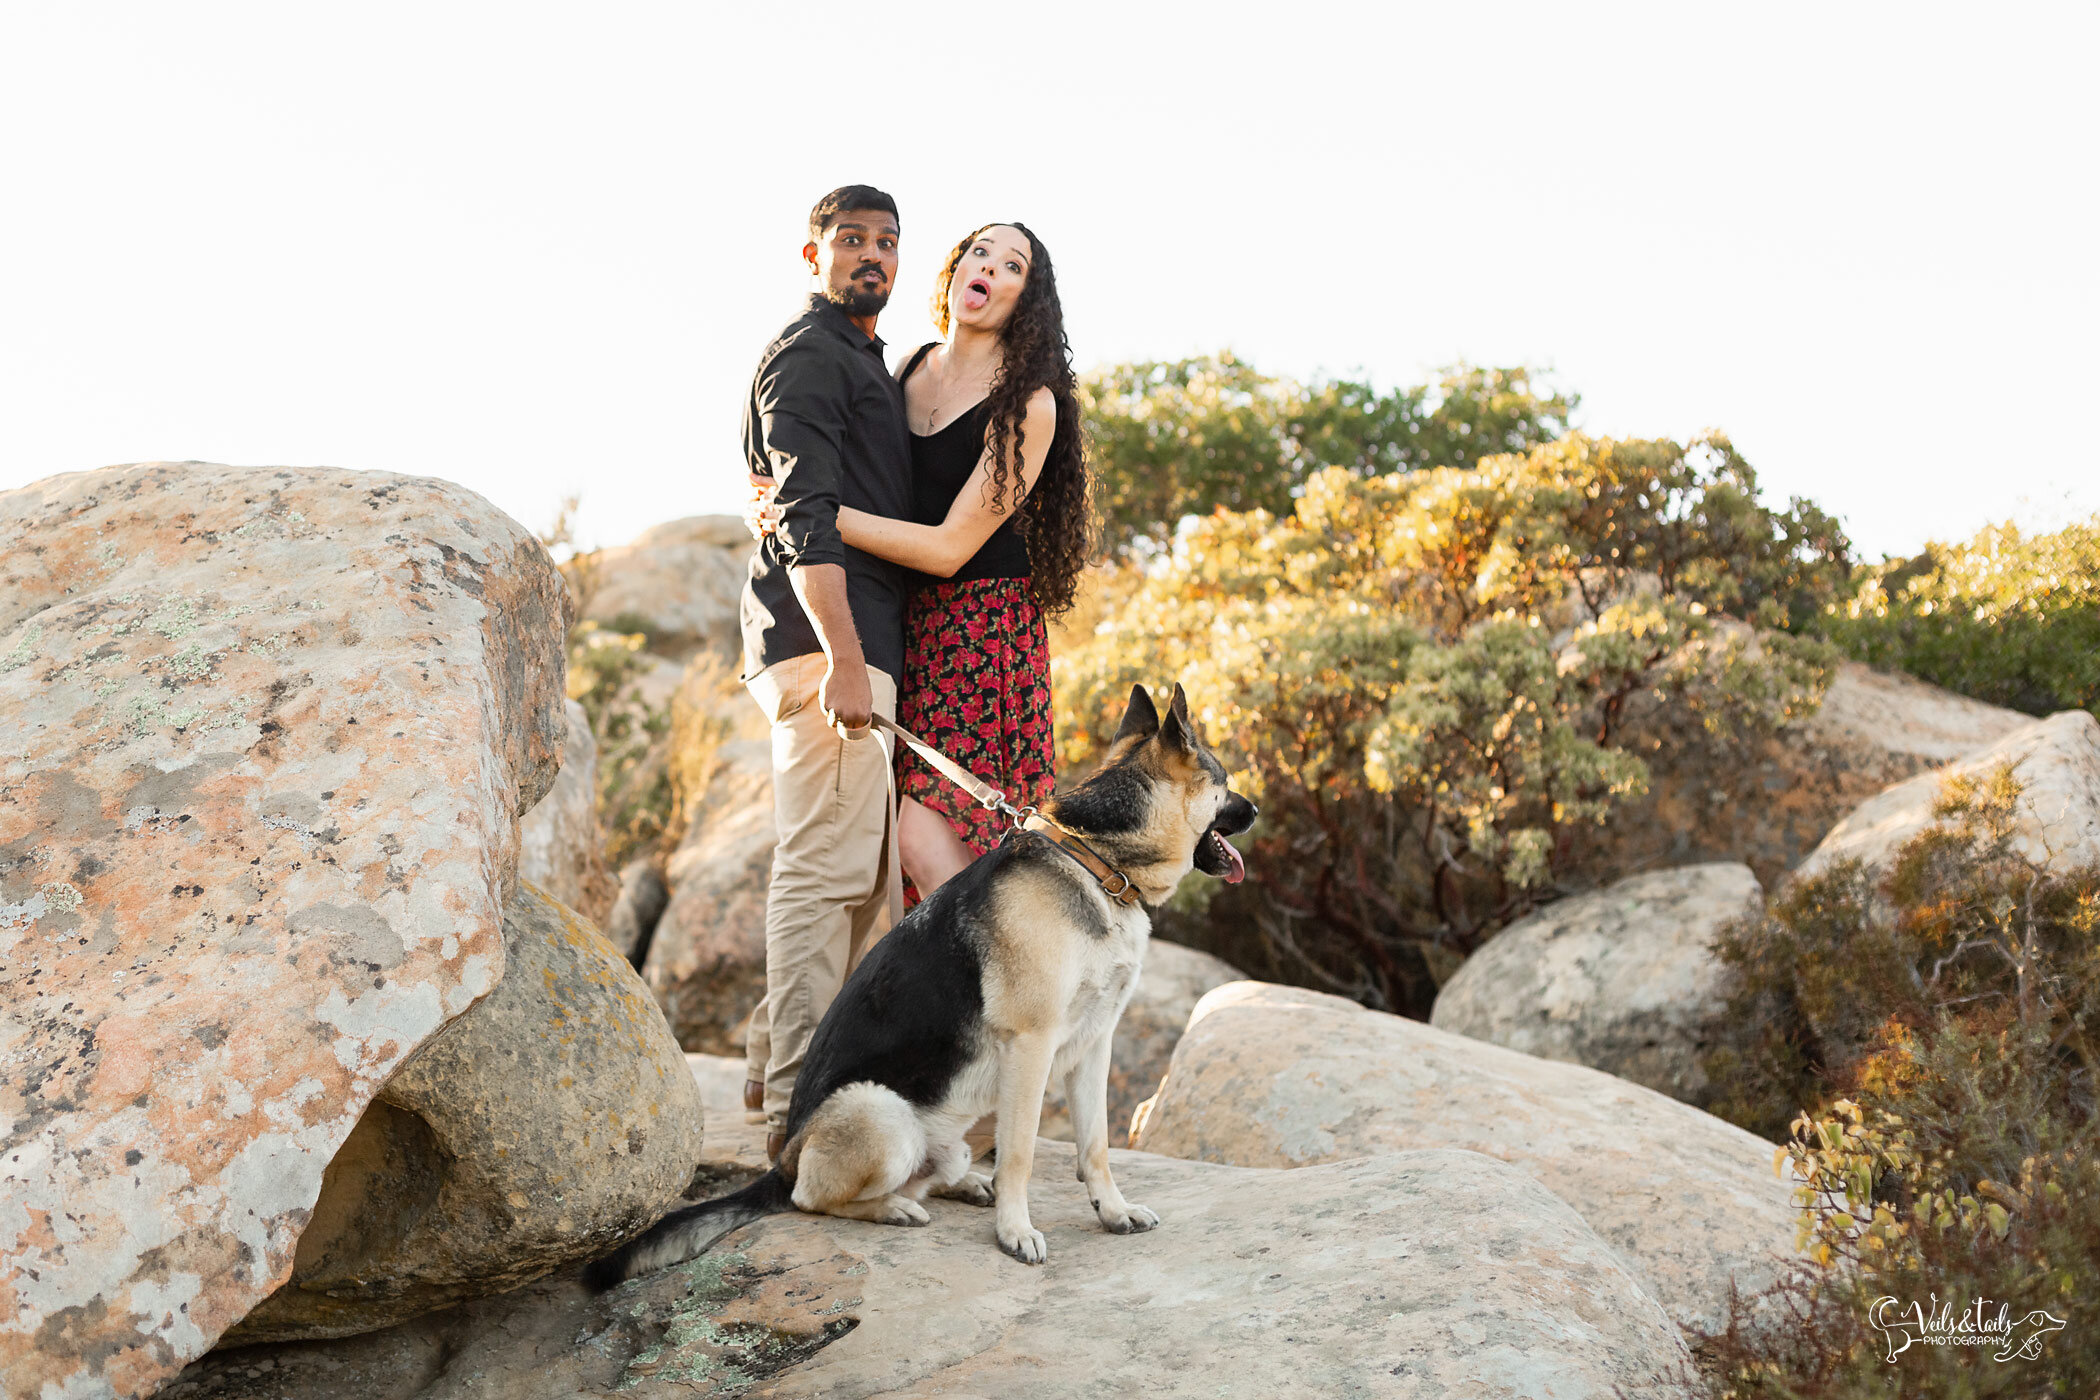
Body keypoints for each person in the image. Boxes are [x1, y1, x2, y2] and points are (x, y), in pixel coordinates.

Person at [751, 222, 1093, 902]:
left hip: (982, 634)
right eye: (979, 252)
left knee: (925, 835)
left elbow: (947, 548)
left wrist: (813, 510)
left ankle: (997, 985)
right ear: (954, 269)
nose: (989, 267)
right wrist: (782, 500)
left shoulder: (1029, 402)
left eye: (1013, 265)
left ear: (1028, 299)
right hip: (909, 629)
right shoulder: (908, 367)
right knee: (898, 849)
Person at [737, 185, 913, 1162]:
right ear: (814, 257)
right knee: (825, 874)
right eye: (851, 241)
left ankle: (777, 1067)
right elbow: (803, 512)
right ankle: (796, 1114)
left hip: (855, 643)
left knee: (854, 884)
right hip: (829, 646)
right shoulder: (809, 354)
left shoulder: (861, 359)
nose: (871, 256)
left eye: (887, 242)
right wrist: (845, 655)